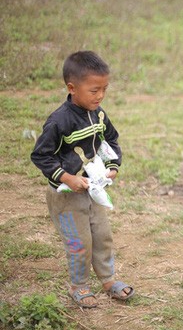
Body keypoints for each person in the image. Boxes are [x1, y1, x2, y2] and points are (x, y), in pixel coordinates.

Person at [31, 51, 134, 308]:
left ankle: (108, 280)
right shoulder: (59, 121)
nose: (100, 96)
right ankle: (79, 286)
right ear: (72, 88)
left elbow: (110, 139)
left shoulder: (98, 114)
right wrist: (67, 177)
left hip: (93, 191)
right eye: (94, 90)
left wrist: (112, 166)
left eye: (104, 90)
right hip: (66, 196)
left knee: (102, 236)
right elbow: (41, 155)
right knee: (79, 243)